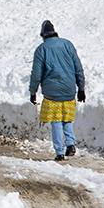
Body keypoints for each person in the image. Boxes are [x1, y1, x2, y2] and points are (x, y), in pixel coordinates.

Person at [29, 19, 85, 161]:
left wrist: (33, 91)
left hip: (51, 92)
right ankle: (70, 144)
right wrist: (81, 88)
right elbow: (78, 67)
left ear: (43, 35)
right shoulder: (67, 44)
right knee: (67, 118)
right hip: (69, 89)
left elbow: (36, 73)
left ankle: (59, 152)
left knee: (56, 121)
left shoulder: (41, 49)